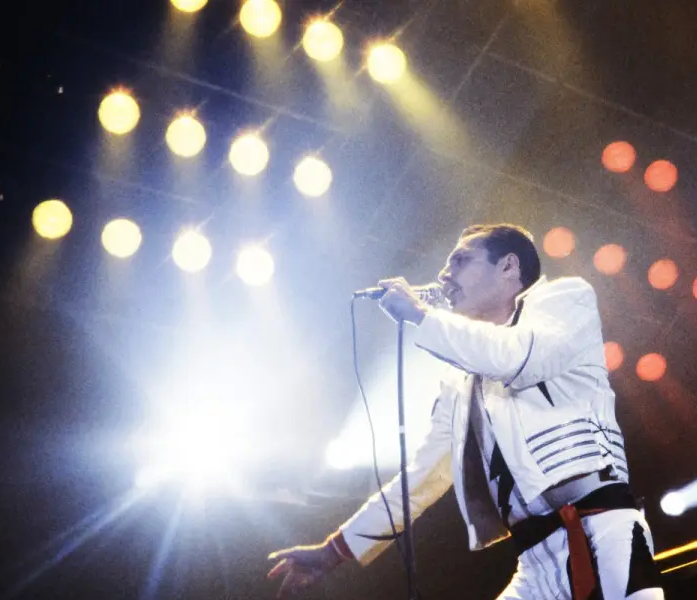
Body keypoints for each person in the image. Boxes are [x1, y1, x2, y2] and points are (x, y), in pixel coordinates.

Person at [267, 224, 664, 600]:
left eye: (459, 260)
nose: (444, 275)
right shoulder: (460, 379)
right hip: (534, 561)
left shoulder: (565, 300)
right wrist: (333, 551)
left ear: (509, 266)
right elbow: (423, 476)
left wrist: (421, 315)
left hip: (603, 530)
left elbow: (513, 357)